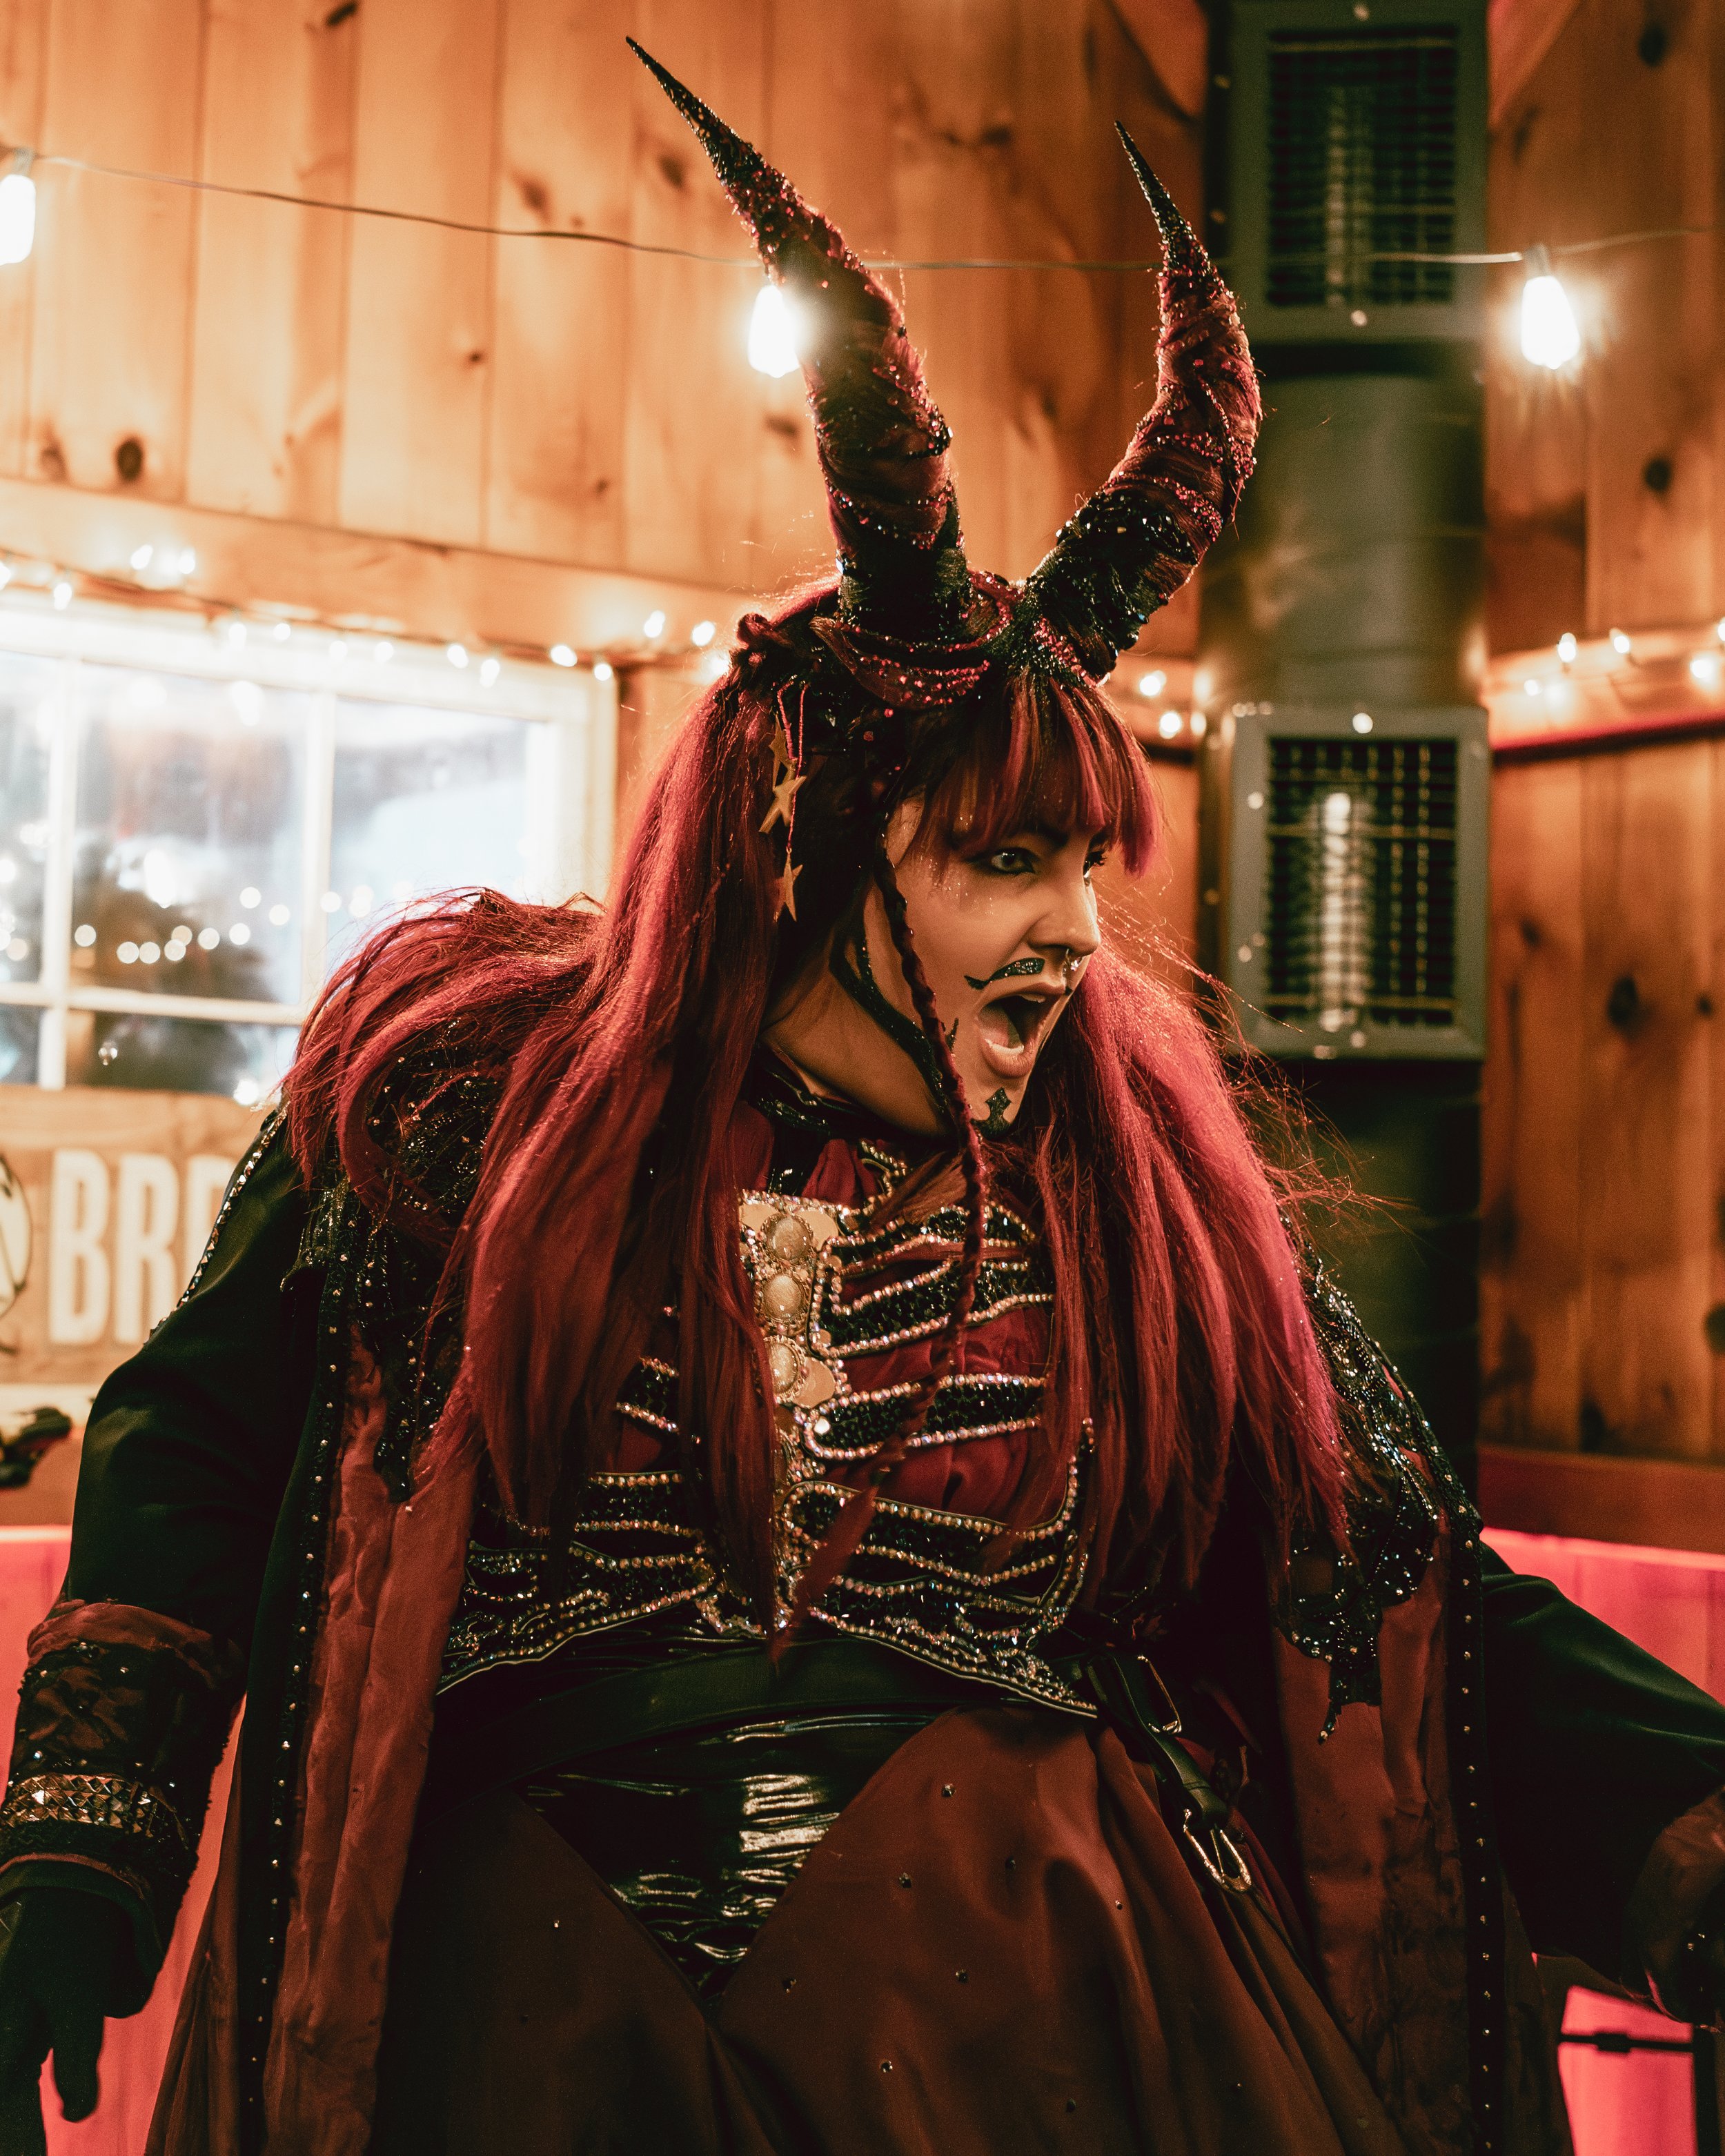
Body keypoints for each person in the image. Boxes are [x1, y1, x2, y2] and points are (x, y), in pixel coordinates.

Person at [2, 41, 1725, 2156]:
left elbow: (1390, 1582)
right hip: (527, 2022)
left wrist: (1689, 1844)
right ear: (801, 856)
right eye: (1007, 860)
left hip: (1037, 1995)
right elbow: (190, 1460)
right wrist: (79, 1864)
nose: (1081, 932)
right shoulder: (448, 1102)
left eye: (1091, 862)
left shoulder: (1136, 1206)